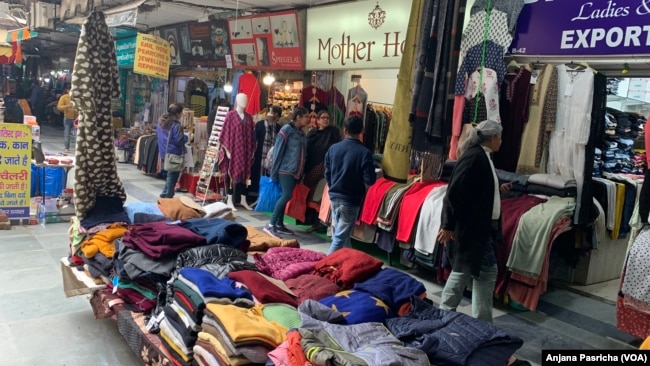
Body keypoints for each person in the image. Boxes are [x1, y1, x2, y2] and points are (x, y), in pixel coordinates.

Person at [437, 120, 512, 323]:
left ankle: (448, 314)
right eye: (500, 137)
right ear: (494, 137)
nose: (502, 141)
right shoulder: (474, 157)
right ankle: (481, 322)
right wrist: (448, 225)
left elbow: (475, 189)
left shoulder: (482, 157)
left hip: (481, 227)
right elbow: (454, 193)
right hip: (473, 228)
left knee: (464, 269)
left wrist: (497, 190)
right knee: (483, 271)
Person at [324, 115, 376, 254]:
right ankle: (323, 266)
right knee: (340, 237)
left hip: (334, 196)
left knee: (341, 235)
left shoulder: (333, 149)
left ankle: (348, 262)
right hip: (351, 199)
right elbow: (370, 179)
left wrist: (333, 186)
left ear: (345, 130)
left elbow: (327, 173)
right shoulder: (364, 153)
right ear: (362, 131)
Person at [264, 106, 309, 238]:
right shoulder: (286, 130)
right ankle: (271, 224)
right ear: (298, 117)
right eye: (306, 116)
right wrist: (274, 172)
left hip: (295, 171)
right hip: (285, 170)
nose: (308, 119)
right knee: (287, 195)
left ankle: (279, 224)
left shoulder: (301, 133)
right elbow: (278, 152)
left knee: (285, 195)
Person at [304, 110, 341, 232]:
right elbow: (307, 150)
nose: (326, 120)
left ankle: (318, 223)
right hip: (311, 169)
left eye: (327, 118)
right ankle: (308, 219)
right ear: (318, 120)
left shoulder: (333, 133)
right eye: (323, 118)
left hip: (327, 169)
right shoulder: (313, 133)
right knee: (309, 194)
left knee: (320, 196)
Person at [157, 103, 187, 198]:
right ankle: (168, 195)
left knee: (170, 173)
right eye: (182, 112)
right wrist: (186, 137)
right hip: (174, 152)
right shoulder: (176, 125)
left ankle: (164, 193)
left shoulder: (162, 122)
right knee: (173, 174)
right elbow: (179, 141)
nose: (182, 114)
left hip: (164, 151)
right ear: (178, 113)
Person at [251, 105, 282, 194]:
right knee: (257, 174)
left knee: (270, 175)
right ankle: (257, 194)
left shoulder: (278, 127)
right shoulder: (259, 125)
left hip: (273, 157)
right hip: (259, 156)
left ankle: (266, 194)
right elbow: (254, 141)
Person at [56, 88, 78, 153]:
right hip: (67, 118)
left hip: (76, 119)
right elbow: (59, 107)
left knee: (77, 134)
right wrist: (67, 106)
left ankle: (77, 148)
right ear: (68, 91)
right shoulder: (64, 97)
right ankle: (66, 148)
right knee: (67, 133)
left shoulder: (78, 98)